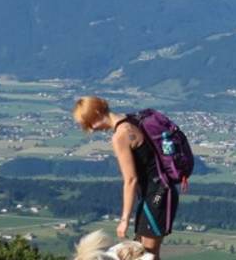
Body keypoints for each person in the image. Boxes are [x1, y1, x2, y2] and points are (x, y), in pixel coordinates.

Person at [72, 96, 178, 259]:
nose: (92, 129)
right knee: (143, 250)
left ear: (97, 111)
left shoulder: (120, 135)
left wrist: (124, 220)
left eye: (90, 123)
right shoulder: (132, 119)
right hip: (160, 191)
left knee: (148, 253)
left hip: (156, 195)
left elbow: (130, 180)